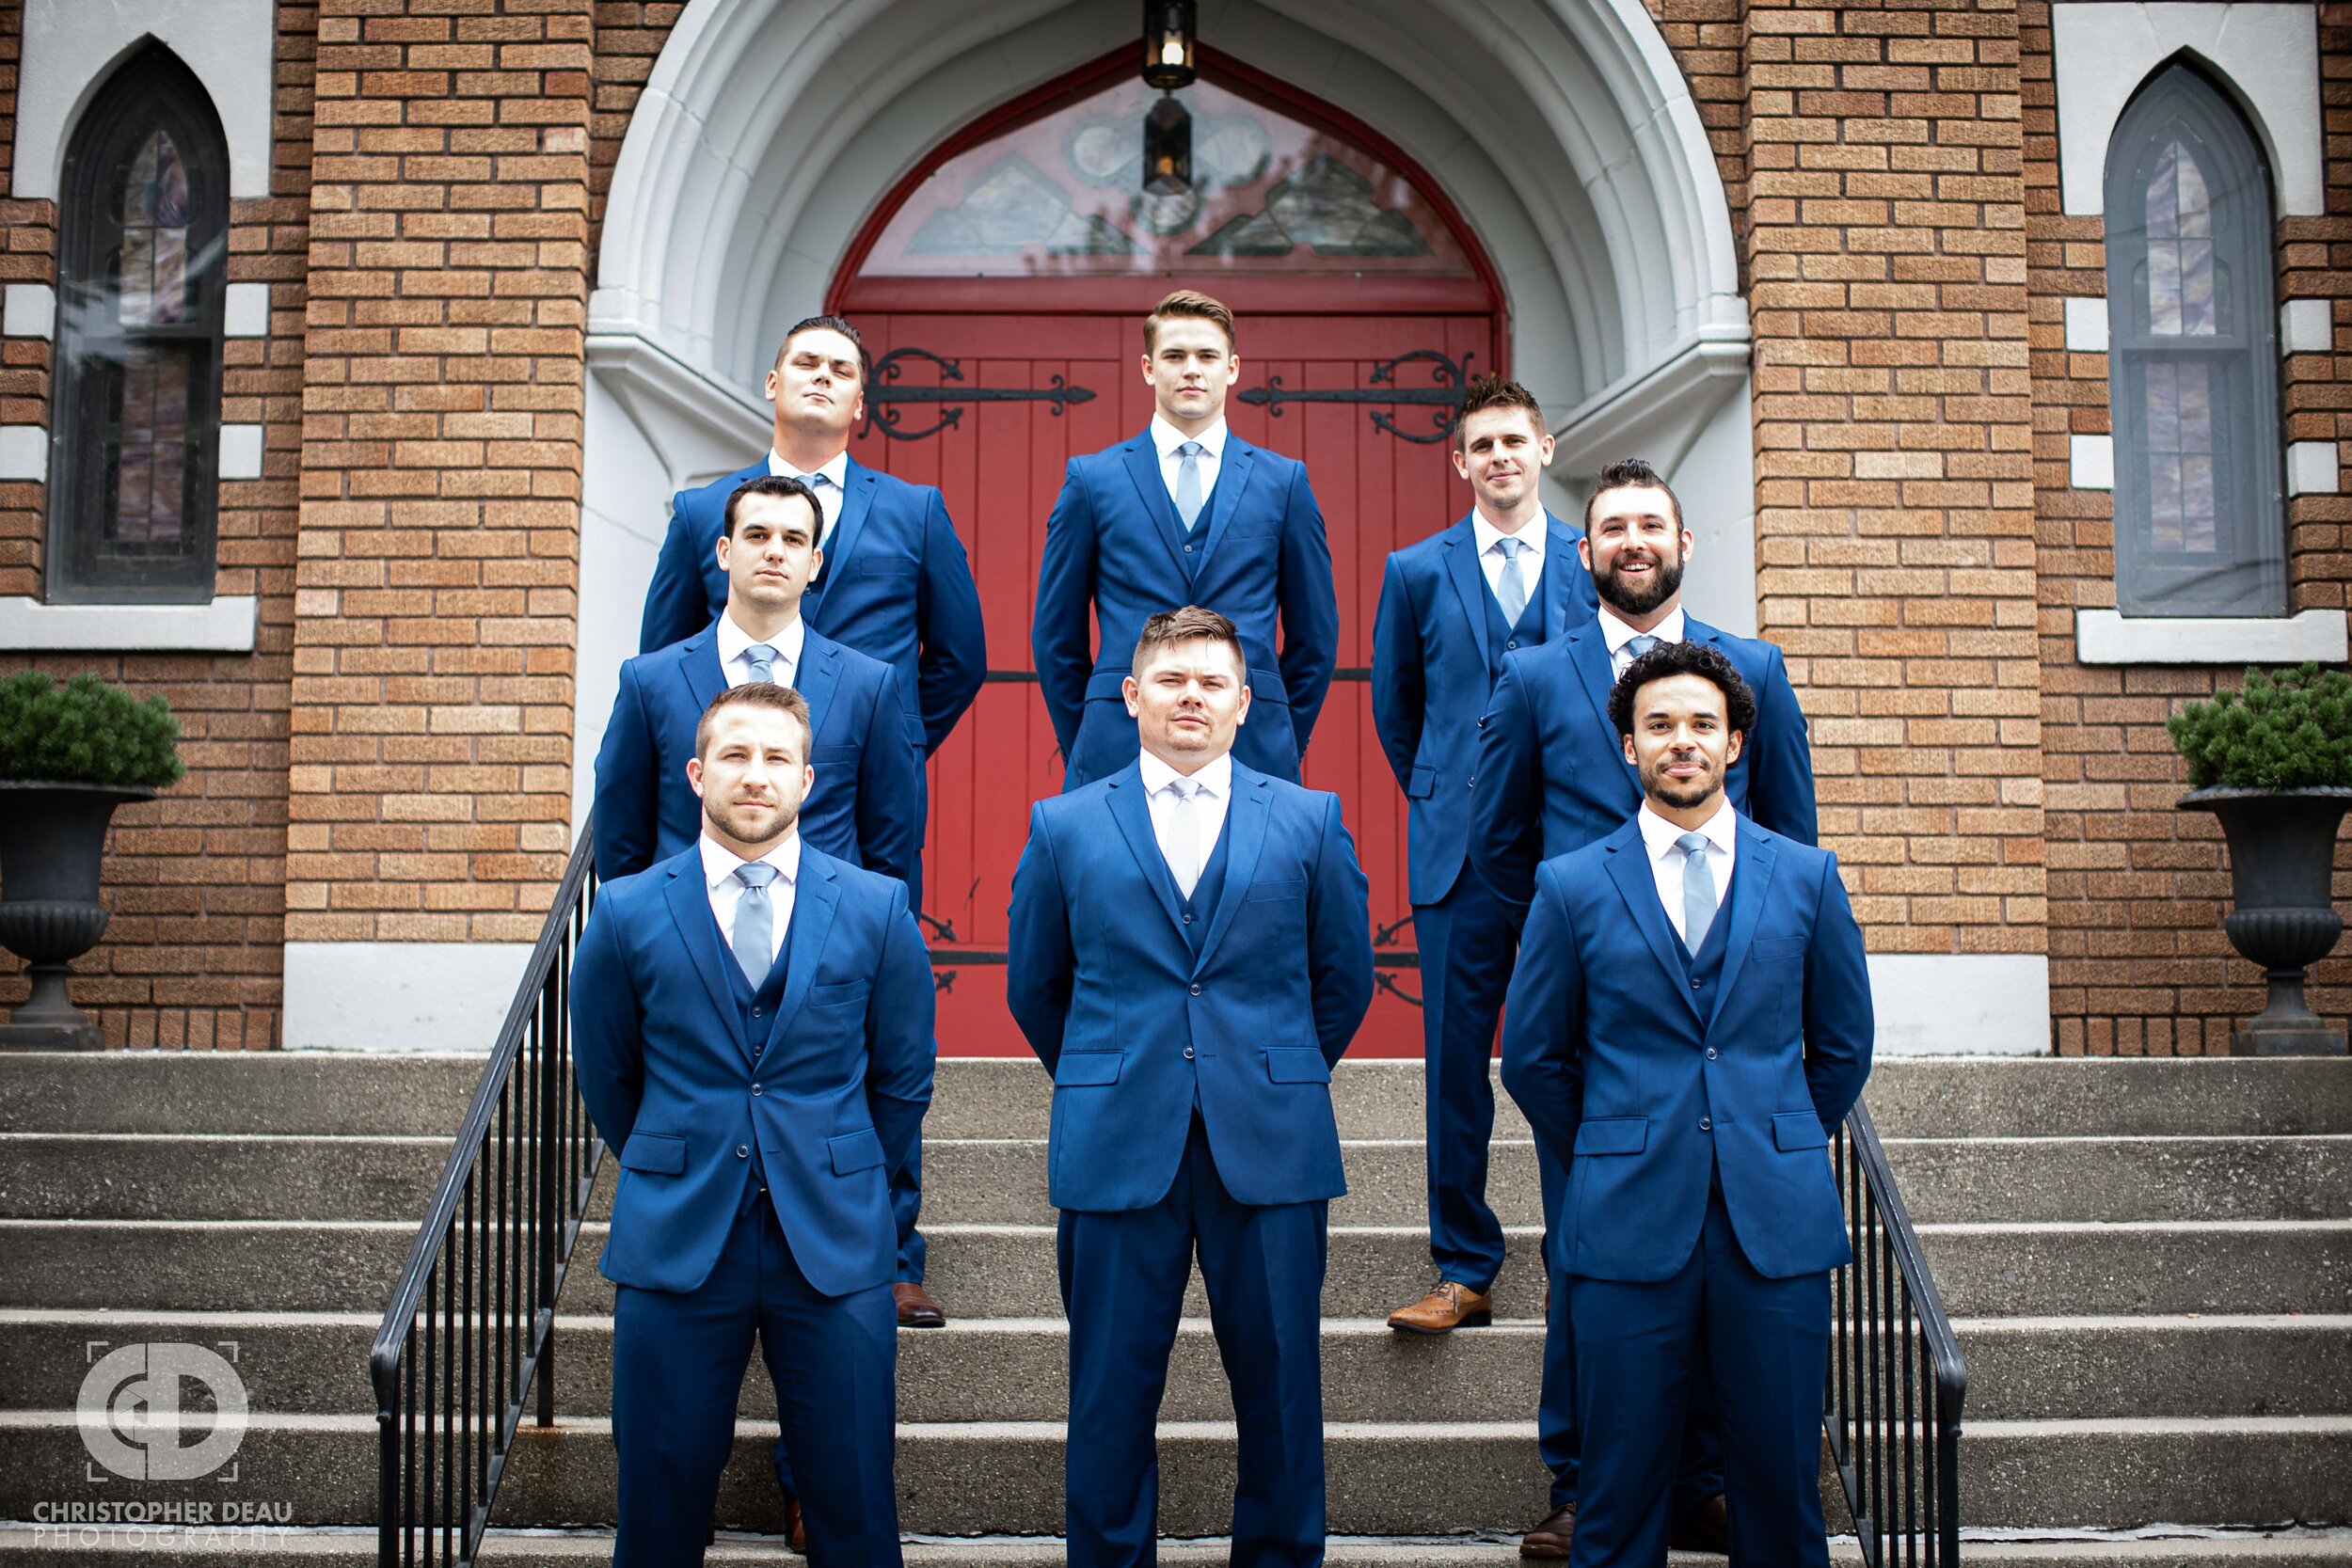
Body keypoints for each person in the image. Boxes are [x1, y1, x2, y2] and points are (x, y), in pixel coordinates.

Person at [1469, 456, 1819, 1557]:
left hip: (1732, 1032)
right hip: (1598, 1038)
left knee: (1726, 1262)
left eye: (1649, 524)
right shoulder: (1534, 675)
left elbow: (1793, 848)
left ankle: (1705, 1476)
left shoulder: (1751, 667)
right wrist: (1583, 952)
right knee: (1598, 1267)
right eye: (1611, 524)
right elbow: (1498, 846)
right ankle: (1587, 1480)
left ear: (1683, 541)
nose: (1632, 539)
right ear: (1586, 550)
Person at [1006, 607, 1374, 1568]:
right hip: (1117, 1139)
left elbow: (1343, 977)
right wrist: (1110, 1069)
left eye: (1212, 682)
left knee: (1284, 1386)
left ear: (1245, 703)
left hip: (1272, 1138)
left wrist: (1266, 1067)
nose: (1191, 697)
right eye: (1171, 679)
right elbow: (1036, 984)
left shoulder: (1306, 817)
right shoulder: (1064, 823)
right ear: (1131, 695)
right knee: (1110, 1390)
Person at [1499, 640, 1871, 1568]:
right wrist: (1613, 1141)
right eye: (1658, 724)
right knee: (1618, 1492)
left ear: (1736, 742)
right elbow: (1536, 1058)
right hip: (1625, 1216)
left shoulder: (1805, 876)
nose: (1681, 741)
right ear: (1627, 744)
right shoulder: (1573, 883)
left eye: (1702, 723)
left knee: (1781, 1490)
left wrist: (1774, 1130)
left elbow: (1841, 1046)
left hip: (1772, 1216)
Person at [638, 314, 973, 1334]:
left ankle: (891, 1247)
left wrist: (890, 740)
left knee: (875, 1039)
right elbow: (666, 662)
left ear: (861, 404)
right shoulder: (706, 508)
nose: (823, 379)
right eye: (808, 363)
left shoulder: (914, 509)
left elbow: (958, 652)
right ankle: (703, 1224)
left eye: (844, 370)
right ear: (774, 379)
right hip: (718, 837)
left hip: (850, 826)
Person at [572, 684, 936, 1568]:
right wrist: (678, 1155)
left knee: (853, 1501)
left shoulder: (875, 908)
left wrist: (839, 1165)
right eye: (735, 754)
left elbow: (901, 1078)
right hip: (678, 1237)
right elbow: (610, 1075)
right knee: (658, 1504)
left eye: (777, 757)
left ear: (808, 779)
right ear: (697, 773)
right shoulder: (624, 912)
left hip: (838, 1240)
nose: (756, 774)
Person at [1369, 375, 1597, 1335]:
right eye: (1482, 444)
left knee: (1564, 1052)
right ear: (1459, 462)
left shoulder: (1593, 565)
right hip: (1457, 851)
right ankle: (1463, 1261)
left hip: (1572, 848)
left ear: (1544, 448)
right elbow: (1397, 708)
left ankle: (1582, 1250)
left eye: (1515, 439)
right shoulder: (1417, 569)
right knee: (1455, 1061)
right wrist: (1444, 791)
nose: (1500, 456)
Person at [1032, 290, 1338, 788]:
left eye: (1207, 356)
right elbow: (1056, 638)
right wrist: (1090, 732)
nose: (1191, 369)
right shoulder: (1093, 479)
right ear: (1149, 368)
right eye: (1175, 356)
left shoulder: (1284, 483)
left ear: (1232, 368)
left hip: (1255, 745)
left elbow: (1315, 638)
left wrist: (1277, 727)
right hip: (1116, 745)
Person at [595, 474, 919, 900]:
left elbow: (890, 849)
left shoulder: (868, 687)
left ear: (815, 563)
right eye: (757, 535)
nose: (774, 551)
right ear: (725, 552)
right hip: (684, 939)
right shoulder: (649, 683)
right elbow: (620, 843)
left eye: (794, 540)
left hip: (823, 947)